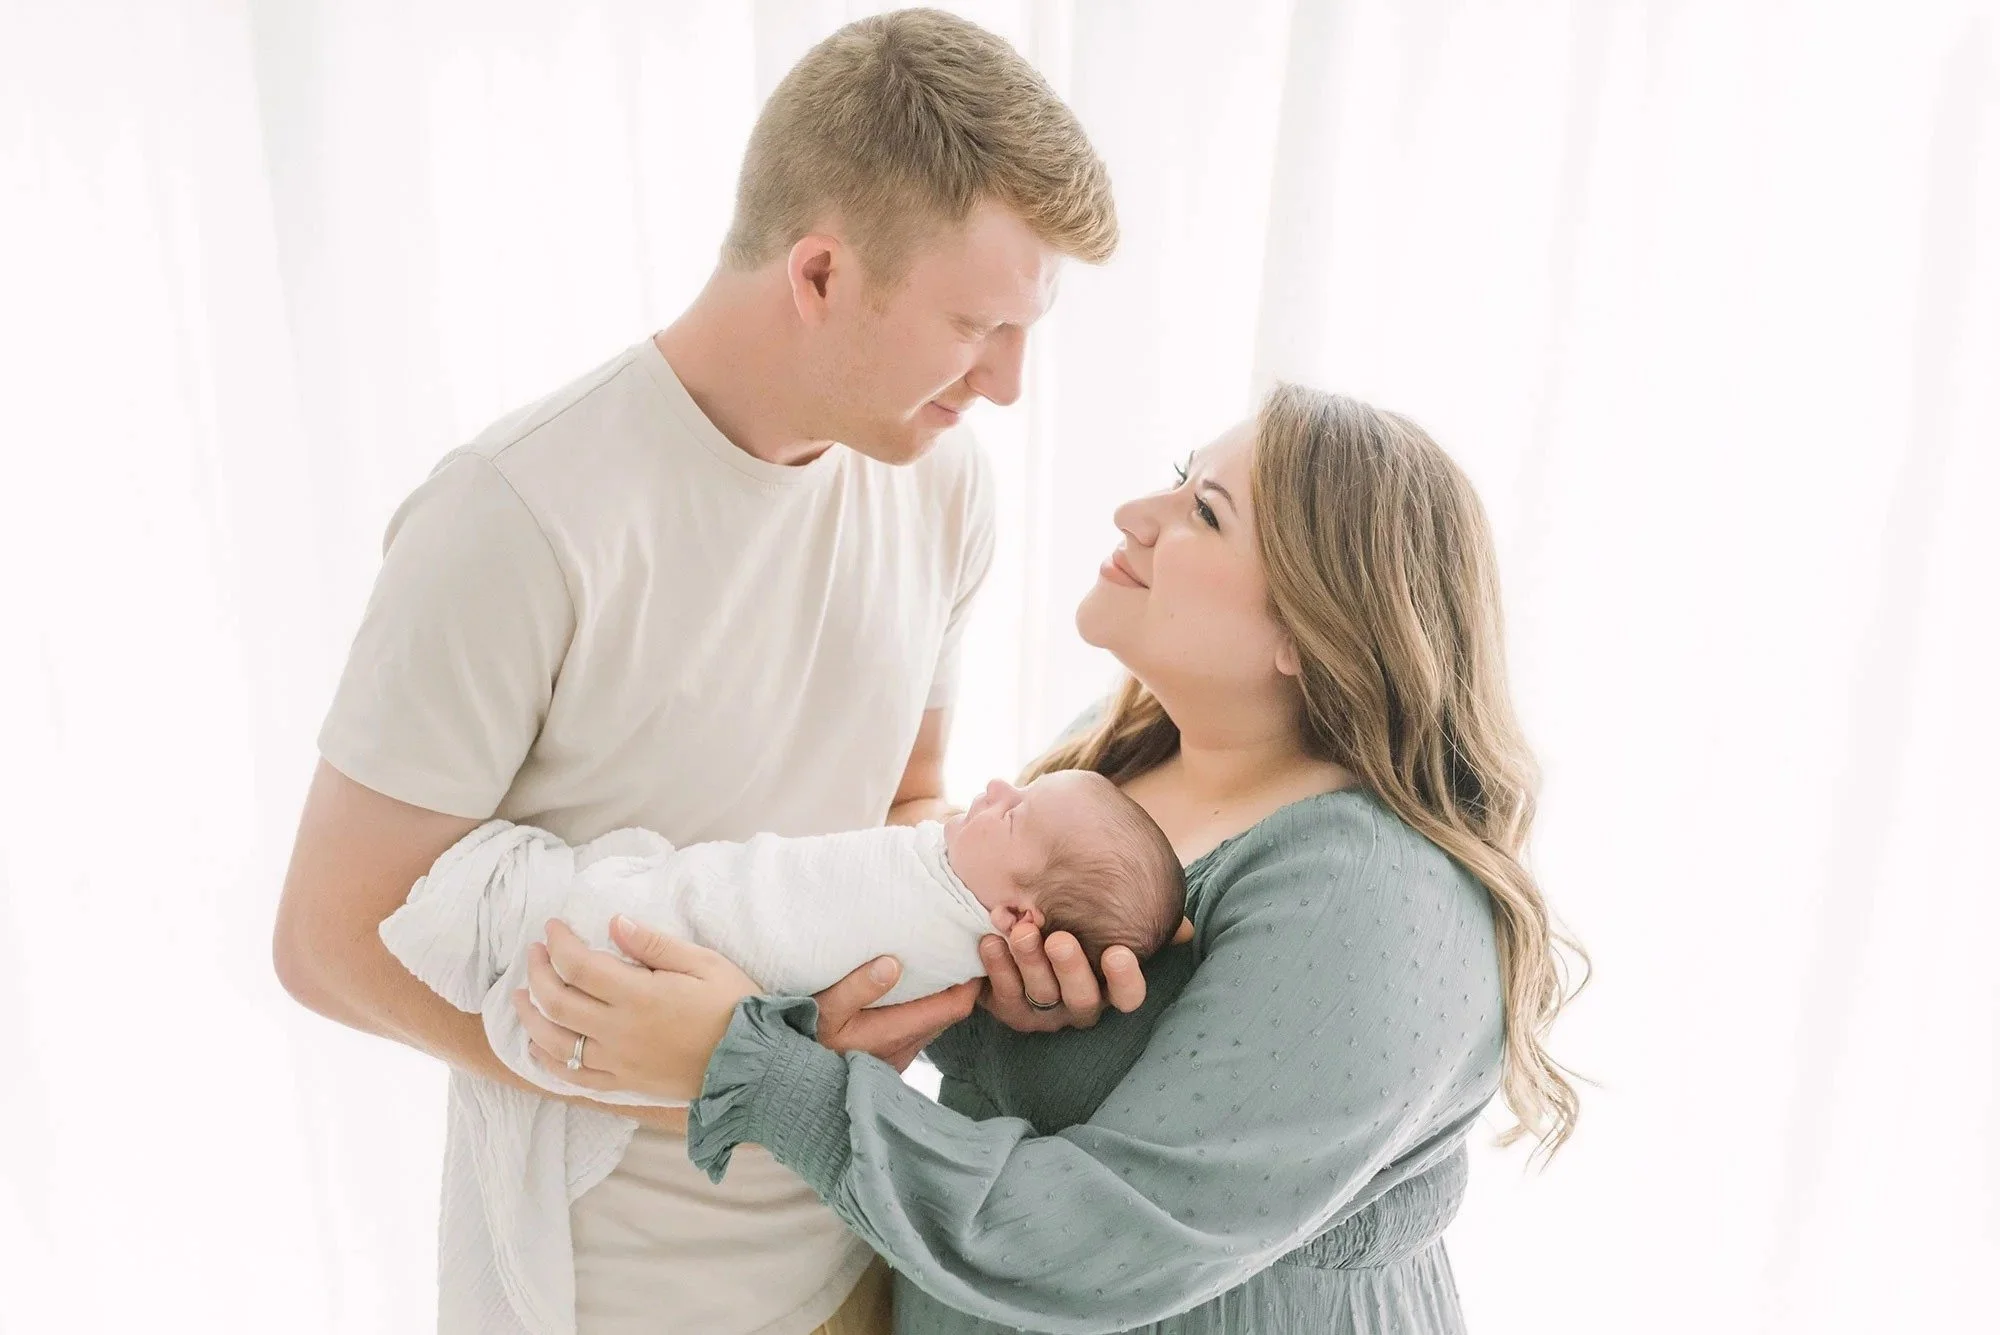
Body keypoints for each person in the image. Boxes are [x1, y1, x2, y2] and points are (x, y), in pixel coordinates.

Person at [270, 10, 1119, 1334]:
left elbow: (905, 804)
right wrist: (663, 1066)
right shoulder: (516, 516)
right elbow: (329, 937)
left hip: (856, 1252)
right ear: (823, 272)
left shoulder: (943, 486)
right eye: (975, 326)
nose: (1005, 384)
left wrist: (971, 950)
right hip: (602, 1296)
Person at [516, 386, 1587, 1334]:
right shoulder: (1121, 759)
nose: (1136, 516)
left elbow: (1088, 1239)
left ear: (1311, 632)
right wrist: (977, 1016)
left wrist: (747, 1068)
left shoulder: (1374, 899)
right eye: (1178, 478)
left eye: (1203, 513)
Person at [377, 770, 1185, 1333]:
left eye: (1014, 815)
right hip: (770, 1257)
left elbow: (777, 919)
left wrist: (754, 1042)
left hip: (752, 1267)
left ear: (1017, 914)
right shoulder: (978, 875)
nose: (997, 790)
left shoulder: (925, 913)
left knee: (624, 923)